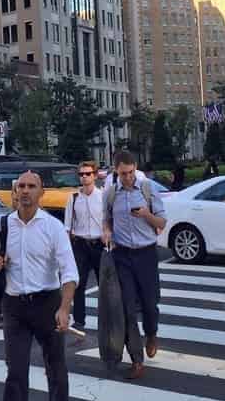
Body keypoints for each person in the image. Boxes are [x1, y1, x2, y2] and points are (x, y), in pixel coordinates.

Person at [0, 171, 78, 401]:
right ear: (15, 192)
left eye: (31, 187)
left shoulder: (52, 227)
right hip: (14, 305)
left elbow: (69, 271)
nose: (25, 191)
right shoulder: (2, 225)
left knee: (55, 366)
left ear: (41, 193)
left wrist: (64, 308)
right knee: (15, 370)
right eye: (20, 187)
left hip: (47, 302)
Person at [102, 151, 167, 380]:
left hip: (147, 253)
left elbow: (162, 222)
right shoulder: (110, 193)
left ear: (135, 168)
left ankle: (151, 333)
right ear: (116, 171)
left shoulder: (147, 188)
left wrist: (146, 214)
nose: (127, 178)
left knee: (150, 304)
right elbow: (106, 219)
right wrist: (107, 232)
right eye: (122, 174)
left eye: (130, 172)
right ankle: (137, 360)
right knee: (127, 309)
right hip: (123, 256)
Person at [64, 160, 105, 334]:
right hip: (80, 244)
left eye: (87, 174)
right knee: (78, 283)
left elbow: (109, 221)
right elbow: (67, 225)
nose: (84, 177)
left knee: (104, 284)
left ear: (95, 175)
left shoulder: (102, 196)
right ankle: (79, 320)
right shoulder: (73, 198)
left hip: (99, 244)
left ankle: (107, 319)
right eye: (81, 174)